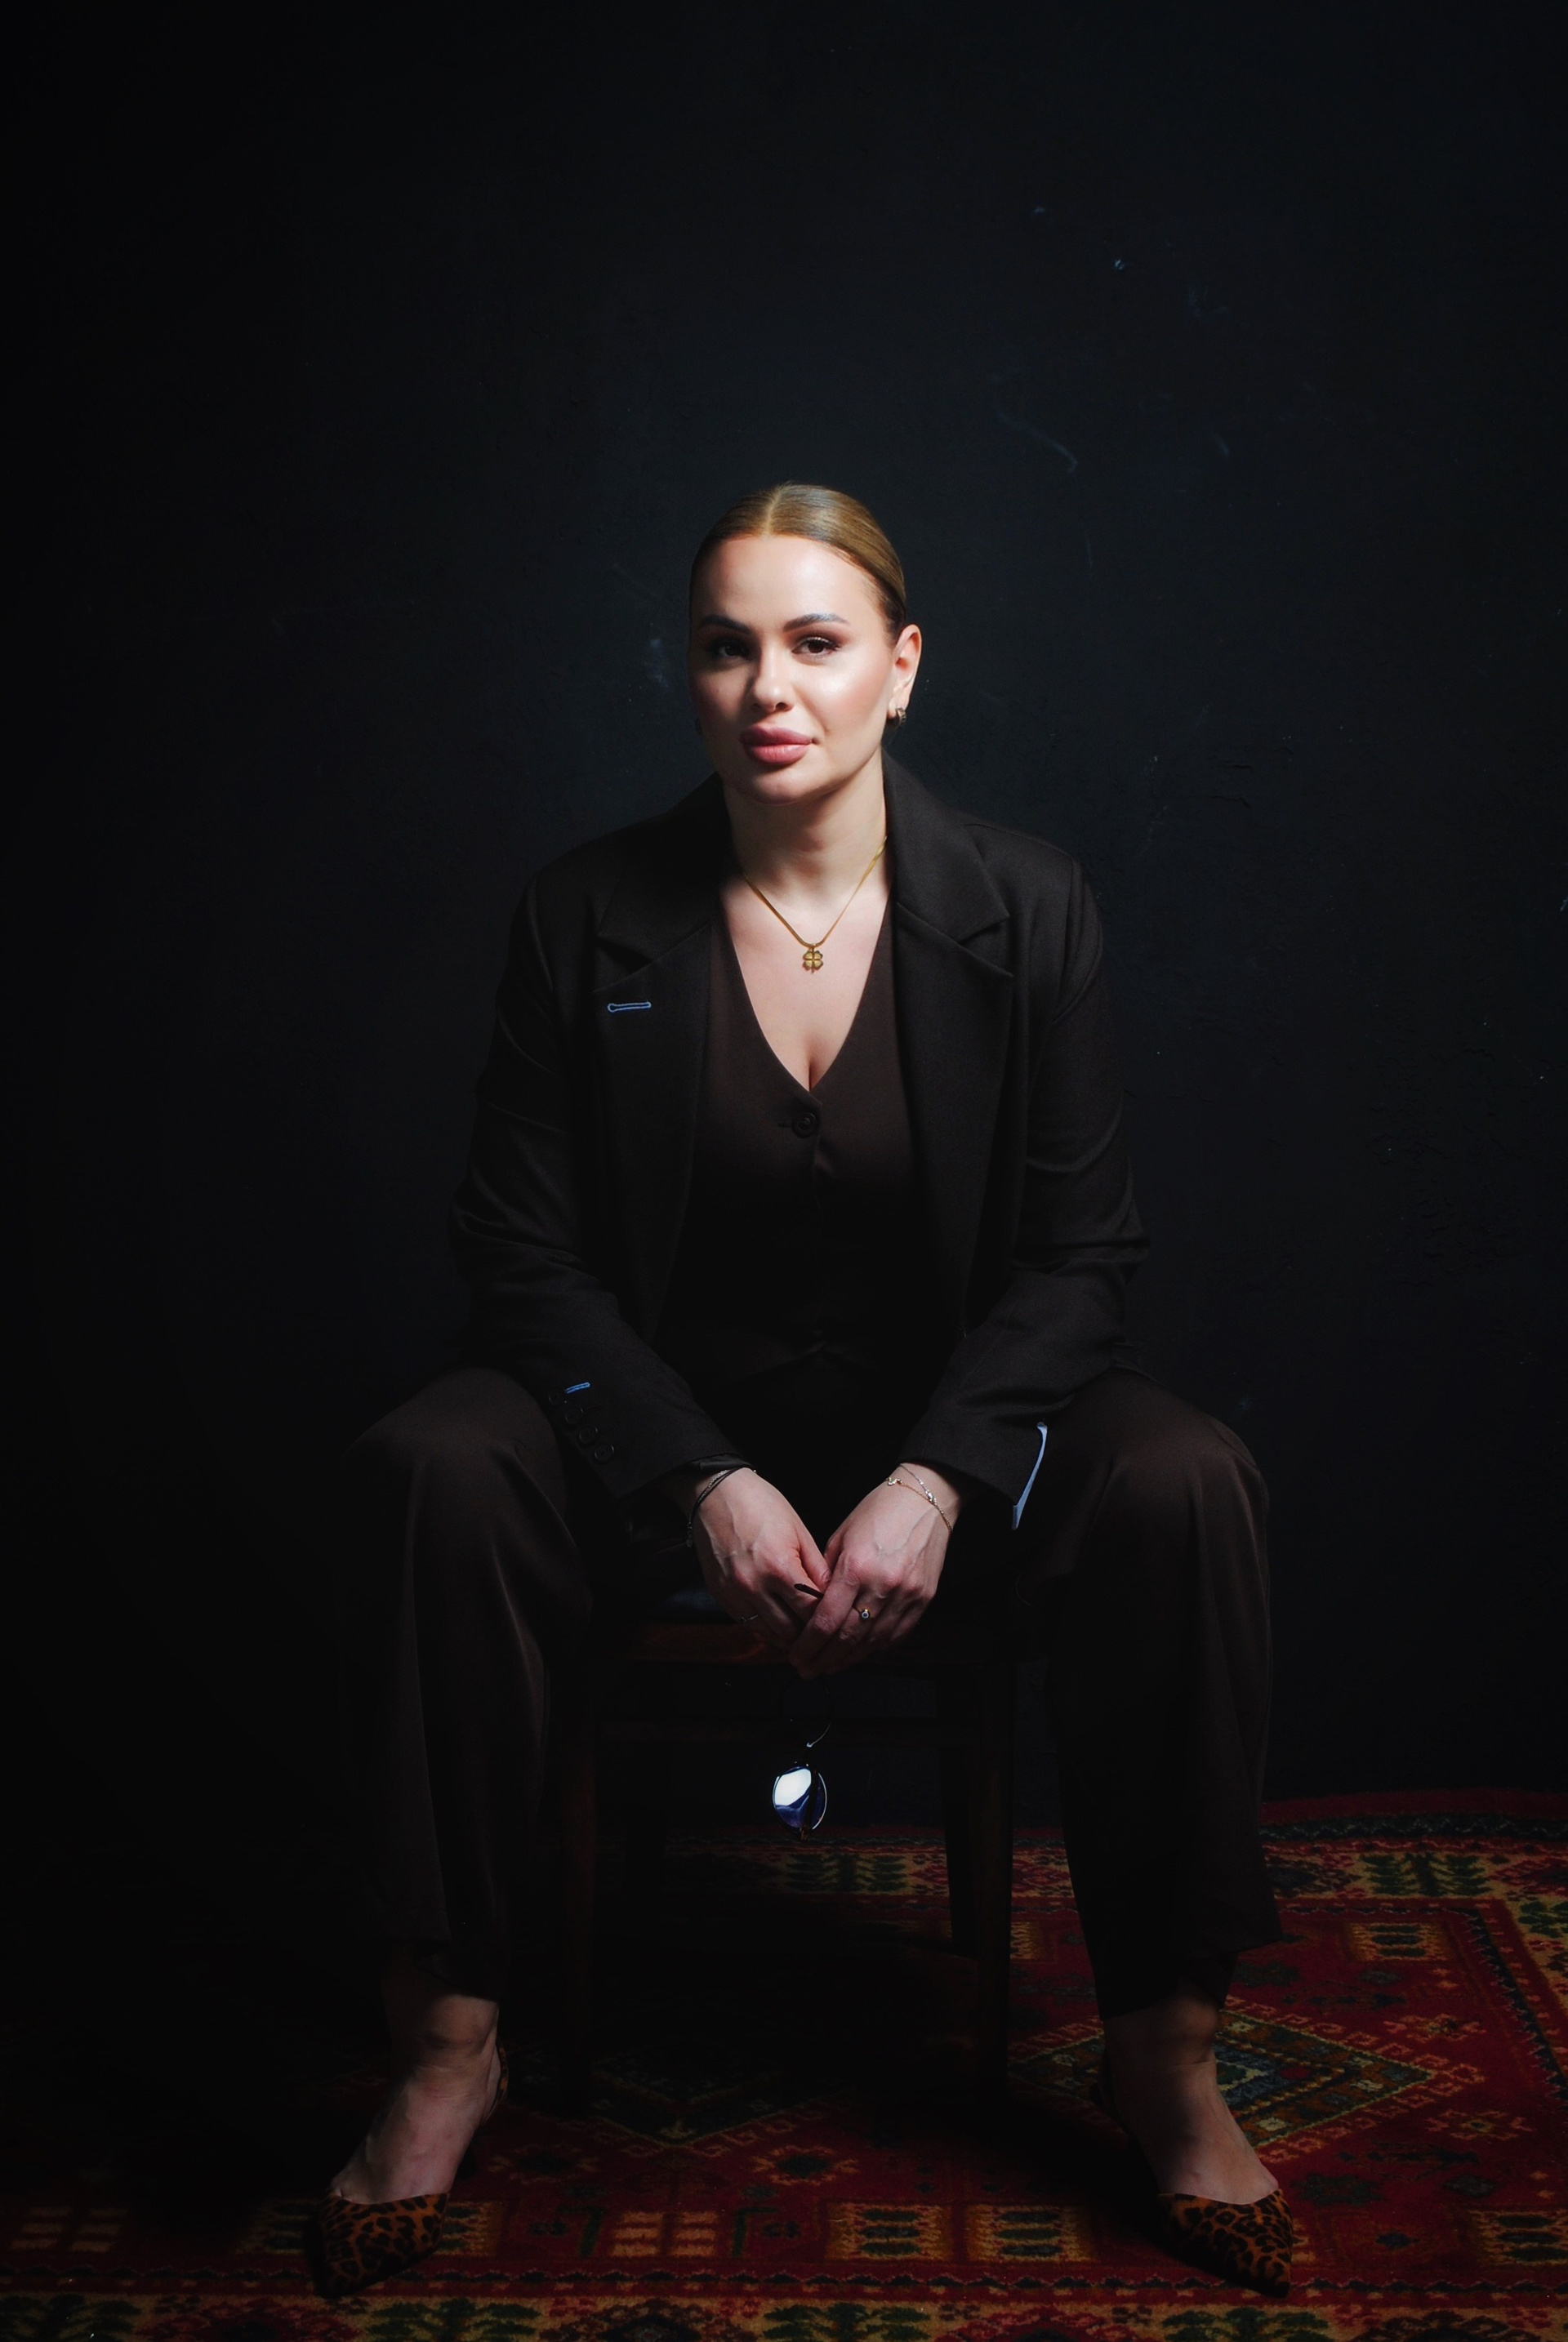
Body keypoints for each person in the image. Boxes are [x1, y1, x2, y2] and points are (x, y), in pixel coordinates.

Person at [314, 483, 1291, 2300]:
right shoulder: (584, 913)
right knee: (430, 1463)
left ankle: (1164, 2050)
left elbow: (1084, 1257)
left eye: (817, 642)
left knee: (1186, 1481)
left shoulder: (1032, 906)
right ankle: (445, 2040)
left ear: (900, 668)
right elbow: (517, 1255)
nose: (771, 686)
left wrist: (936, 1479)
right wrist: (693, 1475)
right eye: (727, 645)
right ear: (687, 675)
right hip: (652, 1443)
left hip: (951, 1438)